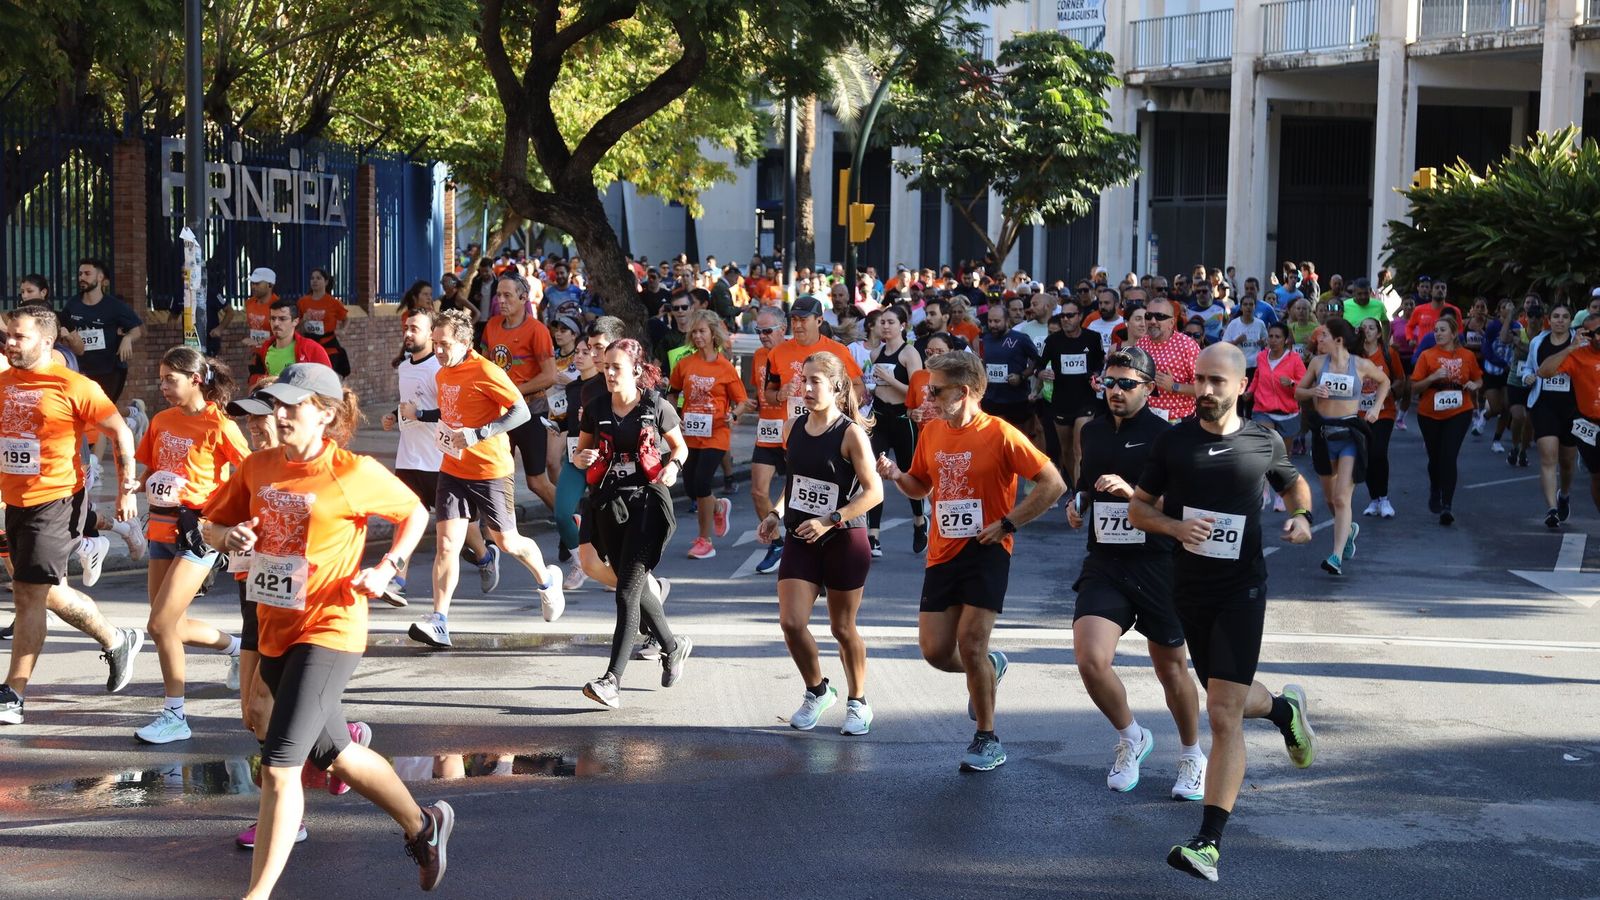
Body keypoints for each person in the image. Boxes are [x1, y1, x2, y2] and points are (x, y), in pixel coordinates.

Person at [199, 364, 452, 897]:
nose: (281, 414)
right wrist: (230, 536)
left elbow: (412, 512)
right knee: (333, 753)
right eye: (278, 404)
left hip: (331, 626)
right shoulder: (258, 467)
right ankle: (423, 826)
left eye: (294, 405)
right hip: (276, 625)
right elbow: (211, 523)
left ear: (327, 414)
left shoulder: (351, 471)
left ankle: (257, 894)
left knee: (279, 767)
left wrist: (390, 567)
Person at [1125, 343, 1317, 884]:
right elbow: (1139, 508)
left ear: (1241, 384)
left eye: (1216, 382)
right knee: (1224, 695)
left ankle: (1207, 842)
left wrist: (1301, 515)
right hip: (1188, 588)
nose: (1205, 391)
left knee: (1223, 712)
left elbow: (1293, 482)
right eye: (1200, 380)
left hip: (1242, 590)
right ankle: (1283, 711)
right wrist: (1173, 528)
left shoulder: (1263, 439)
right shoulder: (1173, 441)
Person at [875, 352, 1066, 772]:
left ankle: (987, 737)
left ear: (963, 393)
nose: (928, 394)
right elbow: (919, 484)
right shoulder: (932, 431)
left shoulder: (1000, 433)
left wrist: (1009, 523)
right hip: (943, 551)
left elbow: (1053, 483)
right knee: (936, 651)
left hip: (987, 549)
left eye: (936, 389)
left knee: (971, 642)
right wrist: (894, 476)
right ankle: (989, 667)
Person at [0, 305, 148, 728]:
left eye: (19, 336)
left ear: (47, 341)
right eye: (8, 335)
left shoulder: (73, 384)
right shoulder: (5, 383)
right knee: (48, 593)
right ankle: (117, 639)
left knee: (28, 593)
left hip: (57, 500)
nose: (10, 342)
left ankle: (14, 692)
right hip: (16, 500)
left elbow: (119, 431)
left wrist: (126, 490)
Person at [1066, 347, 1204, 800]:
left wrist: (1135, 497)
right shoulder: (1093, 432)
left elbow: (1184, 507)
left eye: (1127, 384)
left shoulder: (1168, 437)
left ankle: (1191, 755)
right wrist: (1079, 502)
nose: (1116, 392)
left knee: (1172, 670)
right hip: (1106, 560)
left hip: (1159, 561)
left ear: (1149, 386)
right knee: (1090, 659)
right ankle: (1131, 737)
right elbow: (1087, 483)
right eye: (1110, 383)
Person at [402, 309, 564, 649]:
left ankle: (548, 580)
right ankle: (440, 621)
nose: (439, 351)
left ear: (464, 342)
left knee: (507, 541)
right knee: (447, 544)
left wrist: (479, 433)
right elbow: (452, 413)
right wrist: (424, 417)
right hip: (453, 469)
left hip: (490, 470)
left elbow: (519, 410)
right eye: (435, 344)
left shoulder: (485, 369)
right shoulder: (444, 374)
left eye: (444, 344)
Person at [757, 353, 883, 734]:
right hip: (800, 535)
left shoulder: (850, 433)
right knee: (791, 623)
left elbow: (874, 492)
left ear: (838, 387)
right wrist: (776, 514)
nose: (807, 389)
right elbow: (794, 484)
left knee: (842, 628)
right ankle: (817, 691)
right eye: (804, 381)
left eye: (816, 382)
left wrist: (832, 519)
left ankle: (858, 701)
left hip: (843, 538)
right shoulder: (793, 426)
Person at [130, 348, 250, 744]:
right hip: (160, 528)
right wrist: (137, 484)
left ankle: (175, 714)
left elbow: (249, 472)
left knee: (159, 624)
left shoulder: (220, 424)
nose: (163, 386)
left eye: (170, 379)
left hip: (199, 531)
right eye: (161, 378)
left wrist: (223, 516)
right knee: (172, 625)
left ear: (196, 380)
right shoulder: (162, 420)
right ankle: (235, 648)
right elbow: (154, 466)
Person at [572, 339, 694, 708]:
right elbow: (579, 455)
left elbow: (680, 447)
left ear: (637, 371)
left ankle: (612, 681)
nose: (609, 373)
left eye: (616, 367)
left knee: (626, 592)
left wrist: (672, 467)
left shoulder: (655, 405)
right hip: (610, 504)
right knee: (634, 586)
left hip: (647, 504)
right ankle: (672, 647)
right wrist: (583, 457)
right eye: (606, 366)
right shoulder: (594, 407)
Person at [380, 311, 496, 598]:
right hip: (408, 456)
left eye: (414, 328)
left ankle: (484, 556)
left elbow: (447, 411)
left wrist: (418, 414)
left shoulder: (440, 369)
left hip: (438, 459)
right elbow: (409, 403)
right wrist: (394, 415)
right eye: (406, 328)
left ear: (432, 334)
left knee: (459, 525)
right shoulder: (405, 367)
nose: (408, 333)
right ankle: (398, 581)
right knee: (405, 517)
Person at [1294, 319, 1388, 575]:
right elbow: (1297, 392)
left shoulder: (1360, 364)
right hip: (1324, 435)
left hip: (1350, 434)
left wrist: (1377, 407)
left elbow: (1385, 381)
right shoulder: (1316, 363)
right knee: (1328, 498)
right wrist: (1313, 390)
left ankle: (1335, 556)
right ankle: (1349, 531)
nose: (1318, 339)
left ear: (1338, 340)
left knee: (1341, 497)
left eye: (1323, 335)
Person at [668, 311, 746, 559]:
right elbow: (673, 392)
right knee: (691, 487)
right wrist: (674, 416)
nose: (697, 336)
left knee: (702, 483)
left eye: (702, 331)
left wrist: (733, 416)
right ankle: (719, 505)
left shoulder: (725, 367)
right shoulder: (686, 364)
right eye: (694, 332)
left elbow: (741, 401)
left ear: (714, 333)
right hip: (690, 434)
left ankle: (705, 540)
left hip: (716, 434)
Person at [479, 273, 559, 515]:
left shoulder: (537, 330)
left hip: (530, 412)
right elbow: (482, 364)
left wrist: (511, 392)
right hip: (498, 414)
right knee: (496, 476)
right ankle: (494, 537)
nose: (501, 300)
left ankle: (576, 524)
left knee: (536, 481)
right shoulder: (491, 326)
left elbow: (550, 376)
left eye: (507, 295)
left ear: (524, 298)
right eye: (498, 295)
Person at [864, 305, 926, 556]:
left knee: (908, 472)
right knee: (873, 471)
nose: (885, 326)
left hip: (903, 418)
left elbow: (916, 390)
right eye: (882, 322)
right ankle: (873, 535)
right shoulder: (876, 352)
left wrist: (889, 380)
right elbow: (875, 384)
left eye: (890, 322)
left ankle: (919, 521)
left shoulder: (909, 353)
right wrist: (872, 387)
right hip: (880, 417)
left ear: (903, 325)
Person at [1411, 317, 1484, 525]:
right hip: (1429, 412)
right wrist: (1432, 378)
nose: (1438, 333)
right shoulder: (1427, 355)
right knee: (1435, 458)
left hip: (1459, 411)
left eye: (1442, 330)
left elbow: (1479, 378)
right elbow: (1414, 388)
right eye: (1435, 330)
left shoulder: (1467, 355)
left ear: (1453, 334)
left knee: (1448, 456)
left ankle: (1447, 505)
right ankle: (1435, 488)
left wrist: (1474, 385)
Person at [1536, 314, 1600, 514]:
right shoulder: (1577, 355)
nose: (1597, 338)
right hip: (1588, 425)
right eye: (1591, 334)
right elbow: (1543, 372)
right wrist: (1571, 347)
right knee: (1597, 476)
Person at [1525, 301, 1580, 528]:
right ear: (1549, 319)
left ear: (1570, 320)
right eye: (1556, 316)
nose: (1559, 320)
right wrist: (1528, 377)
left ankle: (1563, 495)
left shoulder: (1580, 342)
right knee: (1548, 457)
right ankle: (1551, 509)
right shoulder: (1538, 341)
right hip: (1544, 405)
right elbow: (1530, 368)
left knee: (1567, 462)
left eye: (1564, 317)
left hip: (1573, 407)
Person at [1040, 297, 1105, 488]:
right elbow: (1038, 365)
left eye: (1070, 315)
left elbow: (1099, 363)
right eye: (1062, 316)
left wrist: (1096, 375)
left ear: (1080, 316)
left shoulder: (1092, 338)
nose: (1065, 319)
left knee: (1078, 449)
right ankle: (1075, 484)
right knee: (1066, 450)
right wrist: (1041, 372)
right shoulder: (1052, 341)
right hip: (1061, 401)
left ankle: (1079, 494)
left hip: (1085, 399)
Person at [749, 307, 792, 574]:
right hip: (766, 430)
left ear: (782, 329)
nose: (763, 336)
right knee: (757, 492)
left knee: (797, 488)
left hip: (792, 430)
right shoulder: (757, 356)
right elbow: (760, 390)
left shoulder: (793, 355)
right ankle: (777, 543)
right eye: (759, 331)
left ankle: (800, 543)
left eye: (767, 331)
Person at [1357, 316, 1407, 518]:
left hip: (1383, 411)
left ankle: (1384, 498)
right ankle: (1374, 500)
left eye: (1371, 328)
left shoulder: (1389, 354)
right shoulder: (1355, 355)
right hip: (1359, 413)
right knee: (1367, 457)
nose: (1367, 331)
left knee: (1378, 452)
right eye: (1363, 328)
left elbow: (1400, 379)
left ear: (1378, 333)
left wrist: (1387, 391)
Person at [977, 304, 1040, 434]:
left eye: (997, 321)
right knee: (994, 437)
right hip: (991, 398)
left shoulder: (1021, 338)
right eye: (990, 321)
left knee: (1018, 439)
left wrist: (1022, 376)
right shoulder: (985, 339)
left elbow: (1037, 360)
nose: (993, 325)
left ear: (1007, 321)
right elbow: (982, 361)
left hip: (1016, 399)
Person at [1137, 296, 1201, 423]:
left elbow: (1204, 388)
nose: (1153, 321)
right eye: (1148, 316)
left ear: (1172, 323)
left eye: (1159, 316)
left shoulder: (1187, 346)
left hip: (1177, 421)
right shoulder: (1141, 344)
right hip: (1145, 418)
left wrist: (1174, 386)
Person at [249, 298, 332, 384]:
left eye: (282, 319)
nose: (276, 323)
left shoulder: (312, 349)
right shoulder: (264, 350)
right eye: (273, 319)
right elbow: (256, 381)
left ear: (295, 321)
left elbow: (329, 382)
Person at [297, 268, 351, 377]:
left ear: (326, 282)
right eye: (312, 278)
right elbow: (296, 324)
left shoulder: (333, 302)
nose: (314, 281)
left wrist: (343, 330)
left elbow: (346, 318)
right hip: (309, 343)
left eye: (318, 278)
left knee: (326, 376)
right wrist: (303, 320)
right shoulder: (303, 302)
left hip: (328, 344)